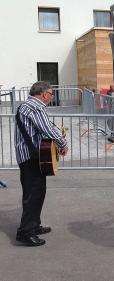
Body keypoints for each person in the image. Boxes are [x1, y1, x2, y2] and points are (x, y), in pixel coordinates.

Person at [14, 81, 68, 247]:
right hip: (30, 157)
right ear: (44, 94)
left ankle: (34, 225)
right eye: (51, 94)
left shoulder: (28, 105)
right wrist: (62, 143)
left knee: (37, 192)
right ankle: (25, 232)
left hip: (31, 156)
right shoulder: (35, 107)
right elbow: (46, 129)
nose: (51, 97)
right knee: (33, 194)